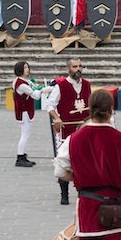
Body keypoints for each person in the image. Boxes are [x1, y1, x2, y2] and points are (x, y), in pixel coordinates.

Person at [53, 90, 121, 240]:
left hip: (87, 206)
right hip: (114, 209)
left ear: (89, 109)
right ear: (111, 110)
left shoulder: (73, 139)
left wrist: (79, 176)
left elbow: (60, 171)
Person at [47, 58, 92, 205]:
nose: (78, 69)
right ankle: (64, 194)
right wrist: (56, 118)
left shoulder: (87, 85)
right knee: (64, 162)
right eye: (74, 67)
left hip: (85, 130)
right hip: (67, 131)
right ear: (68, 69)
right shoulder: (61, 87)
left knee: (85, 162)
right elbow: (50, 105)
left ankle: (83, 192)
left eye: (80, 66)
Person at [12, 61, 50, 168]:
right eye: (25, 67)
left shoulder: (23, 81)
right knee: (25, 134)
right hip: (24, 111)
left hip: (24, 111)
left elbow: (33, 88)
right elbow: (35, 96)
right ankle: (20, 157)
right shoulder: (22, 84)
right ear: (20, 70)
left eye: (28, 67)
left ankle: (22, 155)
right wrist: (42, 90)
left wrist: (36, 87)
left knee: (25, 134)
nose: (27, 69)